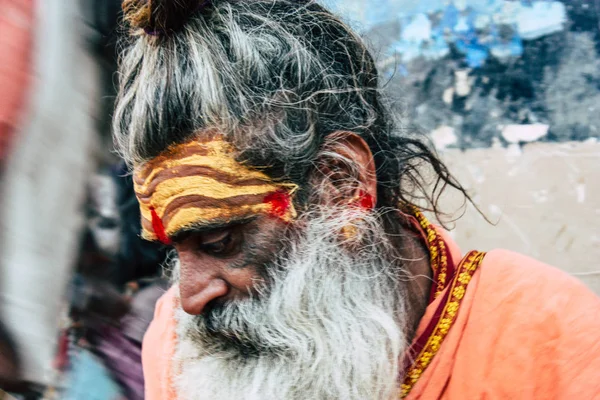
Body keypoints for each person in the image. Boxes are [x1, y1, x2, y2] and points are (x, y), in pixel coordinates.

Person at [113, 1, 600, 399]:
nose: (190, 298)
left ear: (341, 186)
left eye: (219, 239)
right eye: (175, 249)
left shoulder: (556, 341)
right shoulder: (175, 344)